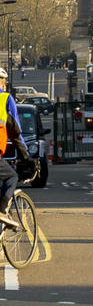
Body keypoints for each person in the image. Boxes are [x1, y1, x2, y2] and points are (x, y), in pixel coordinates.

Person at [0, 68, 30, 228]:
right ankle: (3, 211)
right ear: (2, 82)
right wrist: (26, 156)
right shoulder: (4, 99)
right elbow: (15, 132)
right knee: (11, 177)